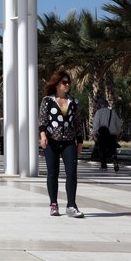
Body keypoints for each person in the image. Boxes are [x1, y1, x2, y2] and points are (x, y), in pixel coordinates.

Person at [39, 71, 85, 218]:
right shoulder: (47, 101)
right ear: (57, 84)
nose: (67, 85)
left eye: (68, 82)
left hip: (69, 142)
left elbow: (78, 124)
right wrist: (43, 136)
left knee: (72, 173)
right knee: (53, 173)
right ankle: (53, 204)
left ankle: (71, 205)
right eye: (64, 82)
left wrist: (80, 142)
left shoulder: (74, 102)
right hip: (52, 141)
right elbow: (42, 121)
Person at [92, 97, 122, 171]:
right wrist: (117, 133)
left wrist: (95, 133)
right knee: (112, 149)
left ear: (100, 105)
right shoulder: (113, 112)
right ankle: (114, 158)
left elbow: (96, 124)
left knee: (102, 150)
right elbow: (118, 123)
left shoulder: (98, 112)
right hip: (112, 134)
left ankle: (104, 165)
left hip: (102, 135)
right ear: (107, 104)